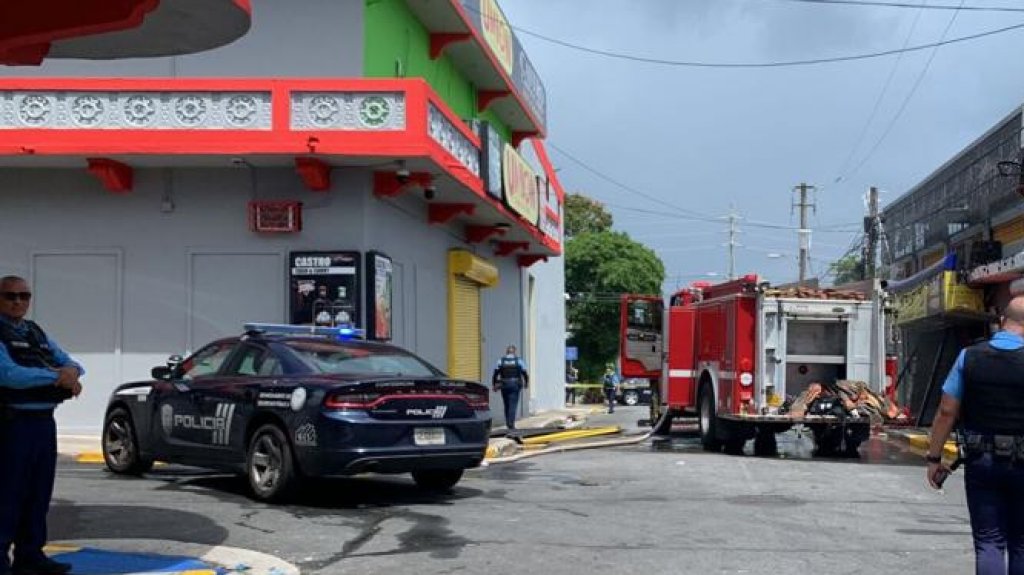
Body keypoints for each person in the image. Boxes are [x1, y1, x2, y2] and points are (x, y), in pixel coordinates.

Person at [927, 294, 1024, 575]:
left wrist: (934, 458)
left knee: (989, 541)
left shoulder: (969, 356)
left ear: (1003, 321)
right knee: (1021, 543)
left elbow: (947, 411)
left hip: (983, 461)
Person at [0, 275, 82, 575]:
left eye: (24, 296)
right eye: (10, 296)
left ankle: (30, 555)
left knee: (37, 494)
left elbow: (72, 363)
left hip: (43, 423)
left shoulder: (34, 332)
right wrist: (56, 377)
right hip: (12, 424)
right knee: (8, 494)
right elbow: (9, 375)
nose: (18, 301)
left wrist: (69, 371)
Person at [492, 345, 528, 431]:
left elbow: (495, 374)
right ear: (514, 352)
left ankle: (508, 423)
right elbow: (525, 373)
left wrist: (494, 384)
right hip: (515, 384)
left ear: (507, 352)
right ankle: (511, 425)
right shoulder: (518, 361)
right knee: (513, 405)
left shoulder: (501, 361)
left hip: (504, 384)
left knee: (506, 404)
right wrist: (526, 383)